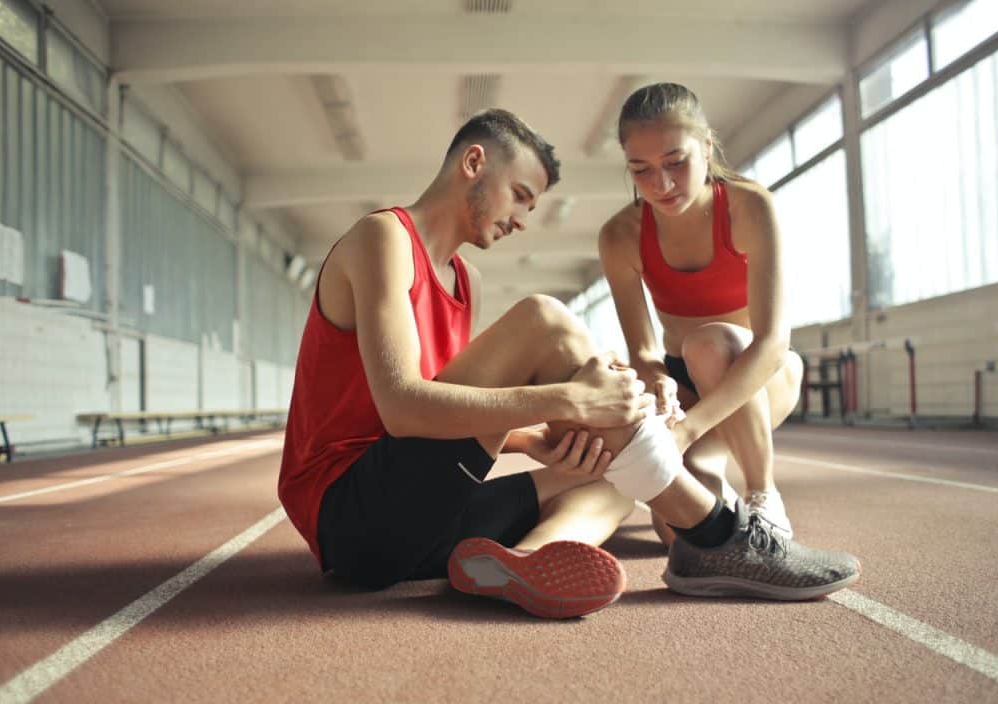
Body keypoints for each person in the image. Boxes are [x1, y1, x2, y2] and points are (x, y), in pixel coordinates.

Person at [278, 108, 859, 621]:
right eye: (521, 195)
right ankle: (716, 533)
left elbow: (445, 419)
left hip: (415, 531)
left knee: (610, 470)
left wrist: (537, 440)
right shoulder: (383, 238)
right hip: (352, 517)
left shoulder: (466, 280)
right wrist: (567, 402)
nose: (523, 220)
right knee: (543, 319)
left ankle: (526, 561)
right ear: (474, 163)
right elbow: (404, 410)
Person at [599, 82, 803, 542]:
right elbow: (645, 349)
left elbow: (772, 343)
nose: (661, 184)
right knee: (677, 533)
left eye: (676, 163)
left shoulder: (751, 207)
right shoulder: (620, 236)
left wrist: (688, 430)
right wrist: (656, 380)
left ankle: (762, 493)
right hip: (685, 384)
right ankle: (712, 468)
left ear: (707, 146)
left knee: (710, 343)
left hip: (761, 374)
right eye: (641, 170)